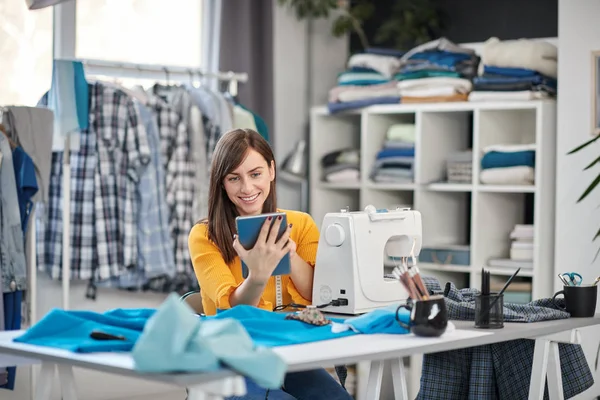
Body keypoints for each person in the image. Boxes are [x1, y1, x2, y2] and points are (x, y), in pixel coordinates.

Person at [188, 129, 352, 400]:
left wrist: (289, 256)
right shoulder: (205, 236)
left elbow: (319, 297)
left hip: (288, 350)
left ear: (272, 171)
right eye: (234, 178)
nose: (247, 188)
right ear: (222, 183)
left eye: (256, 174)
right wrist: (258, 275)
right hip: (232, 358)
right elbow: (232, 311)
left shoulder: (300, 225)